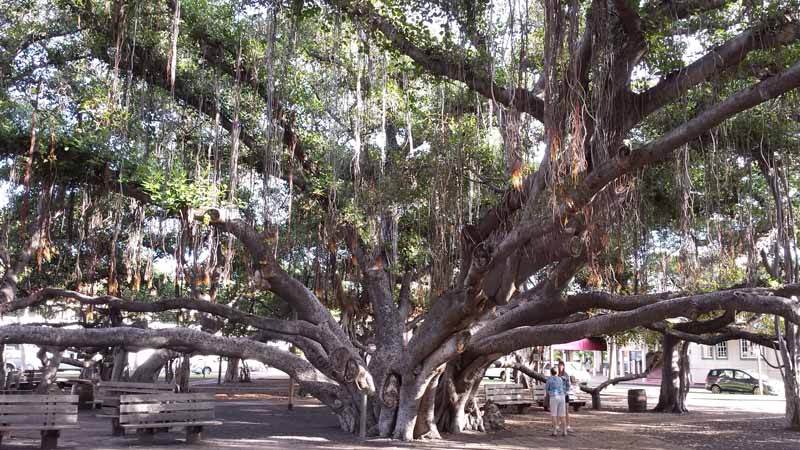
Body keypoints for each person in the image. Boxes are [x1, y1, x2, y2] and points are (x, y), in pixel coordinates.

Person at [545, 367, 567, 436]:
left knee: (554, 414)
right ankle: (564, 431)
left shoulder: (549, 379)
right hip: (562, 396)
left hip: (554, 396)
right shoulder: (560, 379)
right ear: (556, 372)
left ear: (551, 372)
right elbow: (563, 387)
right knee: (562, 415)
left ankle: (554, 431)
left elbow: (547, 389)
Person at [558, 360, 573, 432]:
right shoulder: (557, 375)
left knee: (566, 410)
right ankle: (558, 424)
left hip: (565, 395)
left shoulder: (566, 375)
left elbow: (569, 385)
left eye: (561, 365)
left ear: (563, 366)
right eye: (559, 365)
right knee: (558, 410)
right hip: (558, 395)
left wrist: (565, 392)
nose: (559, 367)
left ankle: (568, 426)